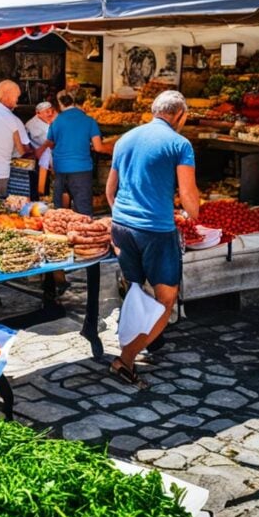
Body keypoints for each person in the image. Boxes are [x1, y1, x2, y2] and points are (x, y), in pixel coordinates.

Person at [106, 90, 199, 387]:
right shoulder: (180, 143)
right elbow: (187, 195)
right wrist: (195, 216)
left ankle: (146, 337)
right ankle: (127, 358)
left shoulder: (125, 139)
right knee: (166, 299)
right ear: (180, 115)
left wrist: (123, 216)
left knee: (135, 288)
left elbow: (111, 190)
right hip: (155, 230)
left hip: (121, 224)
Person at [42, 91, 113, 216]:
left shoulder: (56, 122)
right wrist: (115, 148)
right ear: (74, 102)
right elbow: (98, 147)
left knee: (60, 213)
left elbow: (51, 144)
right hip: (81, 170)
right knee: (83, 212)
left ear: (59, 105)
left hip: (61, 169)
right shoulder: (89, 121)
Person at [25, 101, 56, 195]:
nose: (50, 113)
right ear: (38, 113)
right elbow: (50, 143)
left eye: (51, 111)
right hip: (39, 159)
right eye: (47, 111)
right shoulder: (33, 125)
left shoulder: (49, 120)